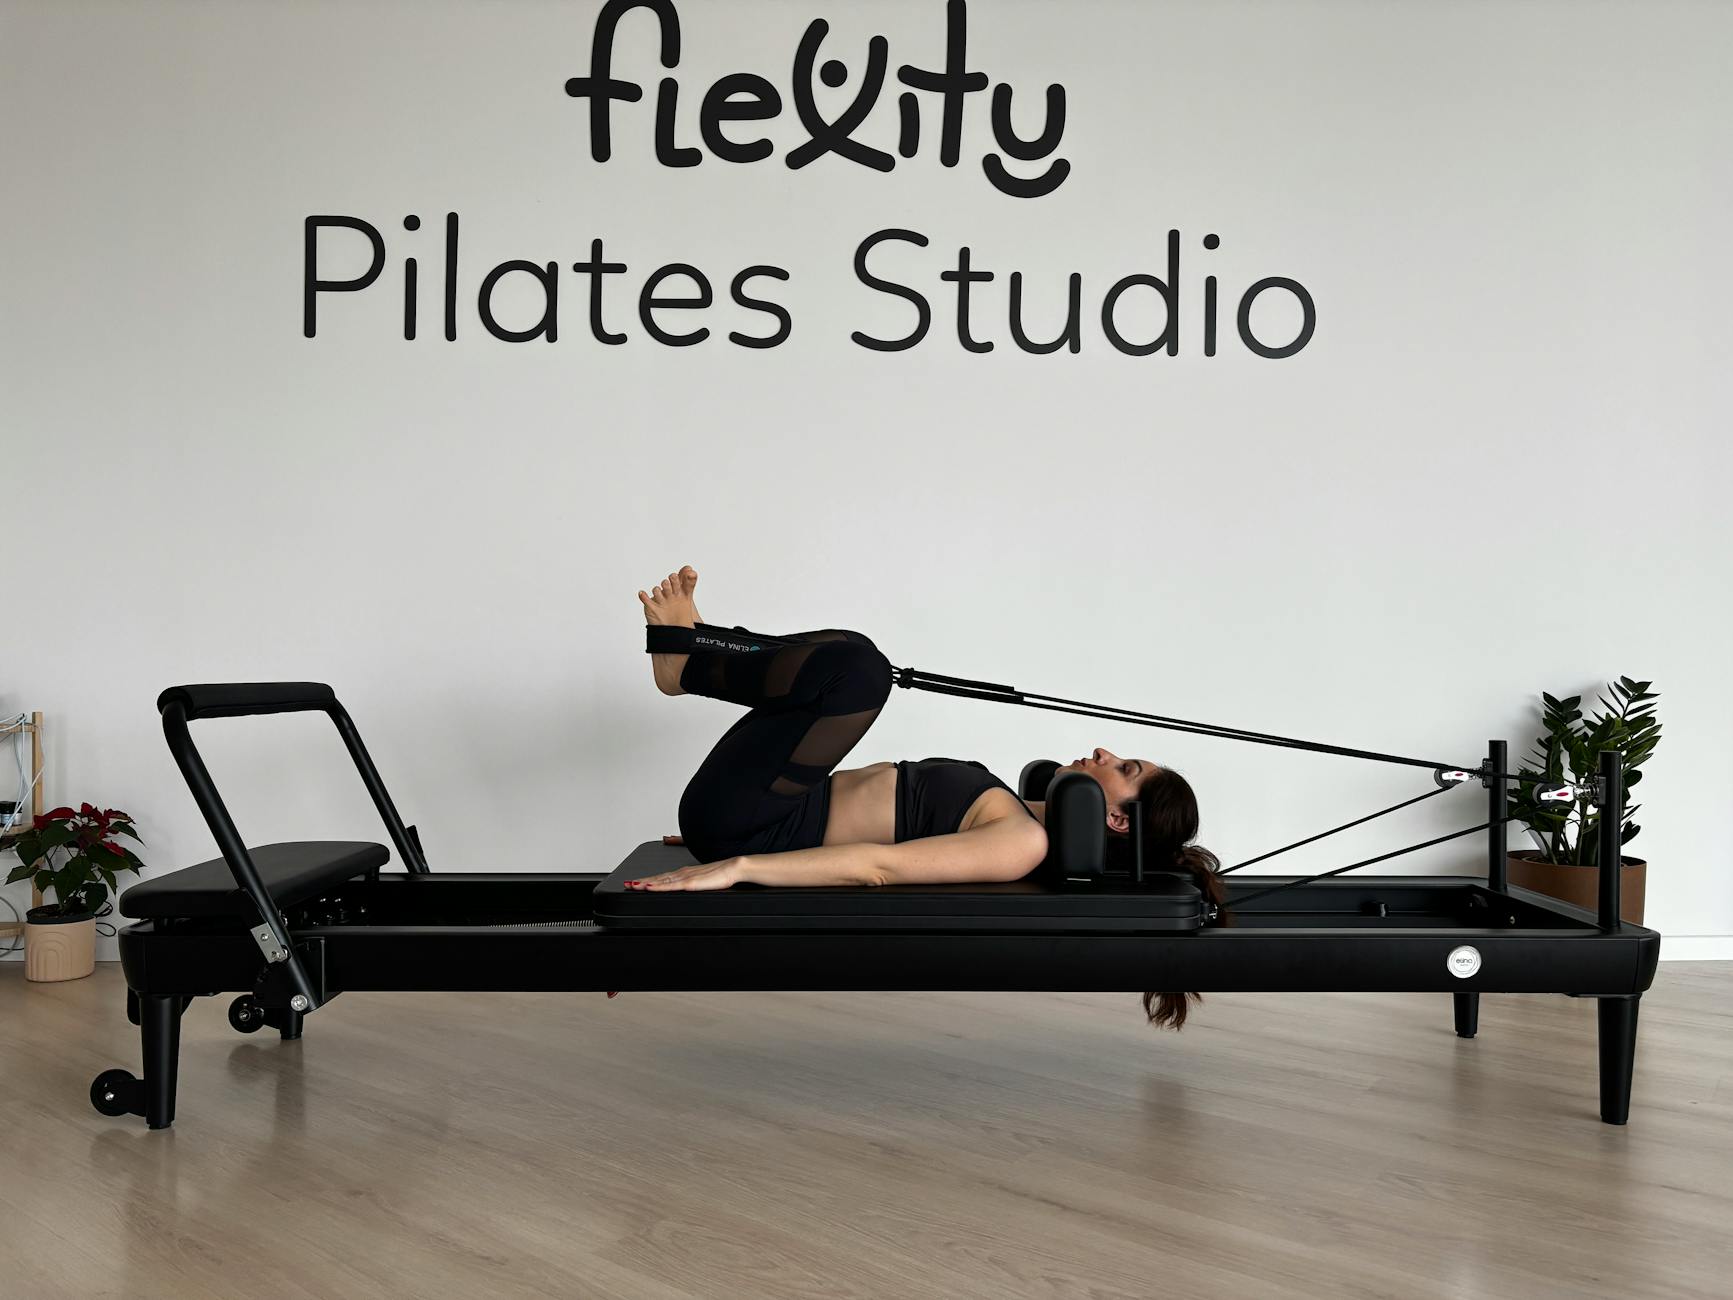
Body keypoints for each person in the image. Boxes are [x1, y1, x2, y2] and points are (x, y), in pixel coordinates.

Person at [630, 566, 1225, 1026]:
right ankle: (690, 656)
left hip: (755, 826)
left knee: (860, 669)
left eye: (1124, 767)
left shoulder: (1020, 842)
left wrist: (741, 865)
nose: (1102, 752)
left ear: (1119, 821)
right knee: (855, 662)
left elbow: (876, 866)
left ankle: (686, 662)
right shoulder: (1024, 811)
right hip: (762, 808)